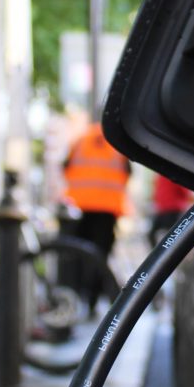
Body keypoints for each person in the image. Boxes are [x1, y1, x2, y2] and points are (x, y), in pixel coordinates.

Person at [59, 122, 130, 316]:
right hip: (107, 209)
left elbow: (65, 167)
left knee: (78, 254)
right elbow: (126, 173)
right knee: (99, 256)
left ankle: (76, 297)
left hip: (80, 206)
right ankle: (91, 300)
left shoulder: (80, 140)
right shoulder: (117, 143)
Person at [149, 174, 194, 245]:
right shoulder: (161, 175)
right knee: (153, 234)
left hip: (174, 210)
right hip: (162, 209)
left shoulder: (177, 175)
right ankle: (160, 253)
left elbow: (186, 193)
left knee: (170, 236)